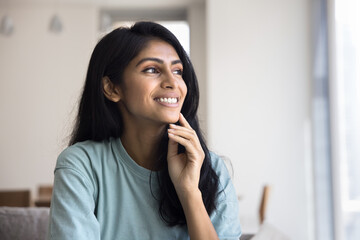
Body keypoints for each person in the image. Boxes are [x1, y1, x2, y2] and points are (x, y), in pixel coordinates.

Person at [48, 21, 241, 240]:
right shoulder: (81, 165)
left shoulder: (212, 169)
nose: (173, 82)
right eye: (152, 69)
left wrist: (189, 192)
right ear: (112, 88)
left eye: (178, 71)